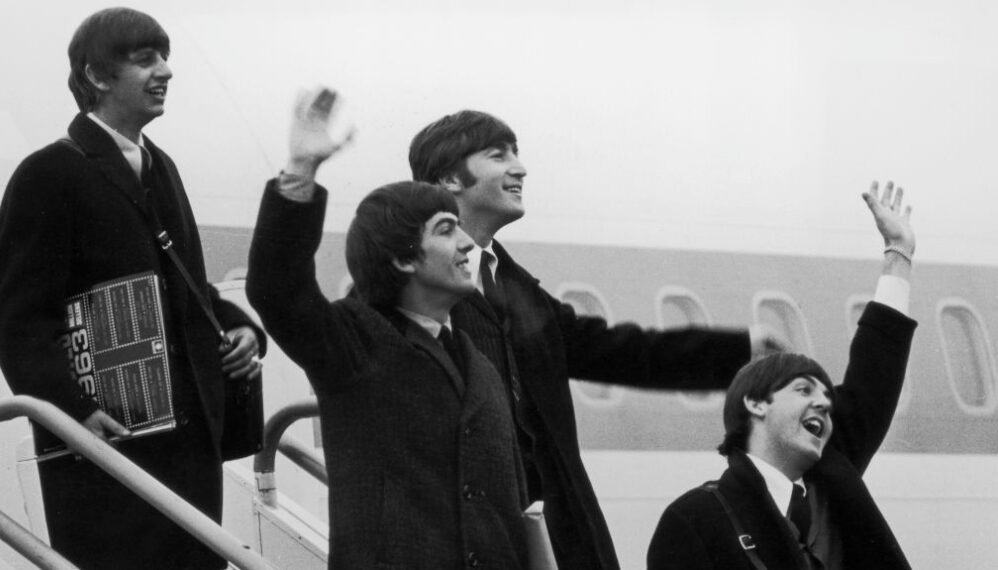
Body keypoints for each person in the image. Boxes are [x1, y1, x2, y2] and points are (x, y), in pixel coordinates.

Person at [409, 110, 788, 569]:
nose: (520, 168)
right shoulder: (414, 291)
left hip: (555, 535)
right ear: (450, 177)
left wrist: (738, 349)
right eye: (498, 155)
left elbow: (624, 353)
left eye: (516, 153)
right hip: (472, 539)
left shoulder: (520, 291)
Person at [0, 8, 264, 569]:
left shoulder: (162, 168)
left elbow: (187, 288)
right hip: (106, 444)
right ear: (96, 76)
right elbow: (18, 317)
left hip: (186, 445)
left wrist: (240, 326)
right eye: (145, 60)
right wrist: (73, 413)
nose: (165, 71)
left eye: (165, 58)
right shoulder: (49, 173)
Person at [246, 88, 528, 569]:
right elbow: (278, 288)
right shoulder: (354, 344)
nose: (465, 245)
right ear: (400, 258)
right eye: (445, 229)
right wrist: (301, 169)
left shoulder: (479, 368)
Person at [646, 182, 917, 570]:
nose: (824, 401)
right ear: (756, 403)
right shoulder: (694, 519)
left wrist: (899, 254)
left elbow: (875, 372)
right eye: (804, 389)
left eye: (826, 394)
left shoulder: (832, 484)